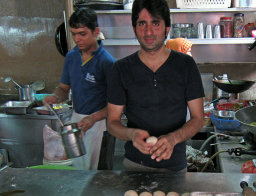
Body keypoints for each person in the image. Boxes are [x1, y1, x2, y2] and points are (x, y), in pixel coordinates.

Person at [107, 0, 205, 172]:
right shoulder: (121, 69)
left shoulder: (186, 65)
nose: (149, 31)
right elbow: (112, 122)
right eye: (142, 23)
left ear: (167, 28)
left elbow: (198, 119)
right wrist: (131, 134)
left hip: (175, 167)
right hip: (134, 166)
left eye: (156, 23)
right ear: (134, 28)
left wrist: (173, 139)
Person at [44, 7, 115, 170]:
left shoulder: (107, 63)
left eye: (82, 34)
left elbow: (116, 104)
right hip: (77, 121)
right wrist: (55, 96)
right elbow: (63, 88)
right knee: (77, 171)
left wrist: (93, 118)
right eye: (74, 34)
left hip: (99, 125)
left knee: (96, 174)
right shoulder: (71, 57)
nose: (77, 39)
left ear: (95, 31)